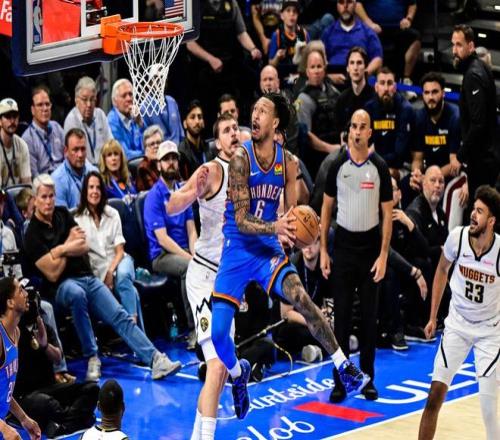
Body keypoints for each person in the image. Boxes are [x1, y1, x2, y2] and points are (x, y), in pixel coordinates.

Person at [211, 93, 369, 421]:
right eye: (254, 109)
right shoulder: (240, 158)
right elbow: (241, 219)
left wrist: (291, 233)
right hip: (237, 250)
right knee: (218, 334)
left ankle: (344, 366)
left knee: (302, 298)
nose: (254, 115)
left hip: (267, 250)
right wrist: (277, 226)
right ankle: (238, 374)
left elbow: (290, 214)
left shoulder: (289, 163)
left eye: (262, 111)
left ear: (276, 122)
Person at [24, 174, 182, 382]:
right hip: (62, 287)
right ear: (35, 199)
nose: (48, 201)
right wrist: (67, 245)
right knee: (76, 294)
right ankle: (92, 357)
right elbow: (52, 273)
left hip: (87, 277)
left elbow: (83, 245)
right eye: (44, 197)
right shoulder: (31, 233)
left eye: (52, 196)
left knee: (119, 314)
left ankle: (155, 359)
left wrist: (57, 251)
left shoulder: (62, 213)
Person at [167, 112, 240, 440]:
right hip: (203, 277)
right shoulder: (209, 171)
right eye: (226, 130)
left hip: (227, 280)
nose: (233, 133)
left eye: (236, 128)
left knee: (219, 374)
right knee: (217, 365)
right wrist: (190, 193)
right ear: (217, 141)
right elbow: (173, 204)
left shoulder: (247, 172)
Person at [320, 109, 393, 402]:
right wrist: (323, 251)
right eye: (354, 126)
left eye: (363, 127)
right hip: (344, 248)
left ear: (370, 132)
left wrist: (384, 255)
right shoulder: (337, 164)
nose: (358, 131)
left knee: (369, 318)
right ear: (349, 130)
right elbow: (326, 208)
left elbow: (387, 215)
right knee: (341, 319)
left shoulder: (380, 167)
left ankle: (368, 378)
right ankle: (340, 380)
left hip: (370, 248)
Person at [418, 186, 500, 440]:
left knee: (488, 407)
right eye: (473, 209)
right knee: (434, 396)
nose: (473, 215)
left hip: (489, 331)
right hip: (457, 324)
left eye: (480, 211)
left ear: (491, 221)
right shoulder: (458, 238)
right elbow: (442, 270)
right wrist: (433, 317)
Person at [14, 287, 99, 437]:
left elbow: (58, 358)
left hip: (50, 387)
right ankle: (79, 419)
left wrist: (45, 345)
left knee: (92, 388)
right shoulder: (14, 332)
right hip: (26, 396)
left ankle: (63, 424)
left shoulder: (44, 328)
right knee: (46, 403)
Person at [74, 171, 144, 329]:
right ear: (85, 191)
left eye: (98, 187)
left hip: (120, 262)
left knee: (123, 276)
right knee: (132, 292)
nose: (95, 191)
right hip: (97, 272)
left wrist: (110, 272)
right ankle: (138, 335)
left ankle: (131, 326)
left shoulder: (112, 214)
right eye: (91, 187)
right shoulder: (77, 220)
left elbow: (120, 250)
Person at [144, 141, 198, 337]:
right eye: (166, 159)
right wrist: (190, 258)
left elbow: (191, 230)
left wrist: (196, 253)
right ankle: (194, 329)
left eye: (174, 158)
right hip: (162, 255)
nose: (171, 162)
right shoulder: (154, 196)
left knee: (208, 261)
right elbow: (163, 239)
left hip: (184, 250)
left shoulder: (183, 191)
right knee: (190, 267)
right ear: (159, 165)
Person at [451, 25, 499, 204]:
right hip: (487, 156)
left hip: (482, 160)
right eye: (453, 44)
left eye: (459, 45)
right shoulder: (481, 66)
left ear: (470, 46)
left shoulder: (473, 75)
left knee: (480, 209)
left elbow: (478, 123)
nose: (454, 51)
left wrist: (460, 156)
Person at [405, 166, 448, 339]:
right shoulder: (415, 211)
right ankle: (416, 322)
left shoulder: (440, 213)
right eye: (433, 180)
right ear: (423, 184)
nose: (438, 185)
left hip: (433, 263)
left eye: (441, 181)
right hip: (413, 265)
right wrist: (439, 250)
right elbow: (417, 249)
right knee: (426, 263)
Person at [0, 277, 42, 440]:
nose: (26, 294)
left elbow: (4, 389)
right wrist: (4, 428)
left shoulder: (16, 333)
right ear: (10, 302)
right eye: (20, 290)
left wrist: (23, 419)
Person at [294, 46, 340, 179]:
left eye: (319, 66)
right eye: (312, 67)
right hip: (317, 158)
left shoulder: (334, 92)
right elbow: (306, 136)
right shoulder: (303, 99)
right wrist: (330, 148)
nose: (316, 71)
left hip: (337, 149)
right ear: (307, 71)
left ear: (324, 69)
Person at [355, 0, 421, 83]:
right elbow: (357, 4)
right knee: (359, 37)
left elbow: (412, 4)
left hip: (399, 27)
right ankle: (366, 78)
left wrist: (408, 19)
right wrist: (369, 23)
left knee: (415, 38)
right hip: (373, 28)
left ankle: (406, 78)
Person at [364, 67, 414, 176]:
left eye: (389, 83)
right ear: (376, 87)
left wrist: (371, 157)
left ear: (395, 87)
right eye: (382, 83)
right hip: (372, 164)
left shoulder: (405, 109)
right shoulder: (368, 108)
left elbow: (399, 153)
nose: (386, 88)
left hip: (399, 167)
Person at [321, 0, 382, 86]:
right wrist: (329, 75)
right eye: (341, 2)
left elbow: (377, 59)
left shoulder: (367, 32)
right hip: (332, 82)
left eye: (349, 2)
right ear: (337, 6)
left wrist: (364, 74)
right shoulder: (328, 32)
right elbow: (320, 59)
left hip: (361, 81)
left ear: (355, 5)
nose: (345, 6)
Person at [64, 76, 114, 164]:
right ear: (76, 100)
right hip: (83, 169)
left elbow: (110, 144)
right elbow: (76, 157)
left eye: (92, 100)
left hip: (104, 166)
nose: (89, 104)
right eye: (84, 100)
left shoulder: (100, 114)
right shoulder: (71, 120)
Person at [333, 46, 376, 144]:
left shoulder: (375, 98)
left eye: (359, 63)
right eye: (352, 63)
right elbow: (340, 132)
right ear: (347, 68)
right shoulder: (342, 100)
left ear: (366, 67)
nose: (355, 68)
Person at [22, 86, 65, 177]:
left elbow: (69, 154)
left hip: (65, 177)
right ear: (32, 110)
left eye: (47, 104)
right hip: (45, 181)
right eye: (40, 105)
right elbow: (34, 176)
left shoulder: (57, 127)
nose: (45, 109)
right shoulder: (27, 139)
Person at [51, 128, 98, 209]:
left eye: (83, 149)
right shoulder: (57, 180)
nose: (80, 155)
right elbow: (62, 215)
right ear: (66, 151)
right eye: (75, 150)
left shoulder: (94, 172)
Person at [107, 79, 144, 160]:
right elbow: (123, 153)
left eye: (130, 94)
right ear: (115, 101)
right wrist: (146, 154)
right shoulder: (111, 121)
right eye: (124, 96)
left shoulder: (135, 117)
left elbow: (147, 144)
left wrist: (140, 124)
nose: (129, 99)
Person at [0, 98, 32, 187]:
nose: (12, 121)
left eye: (15, 116)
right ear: (0, 121)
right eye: (8, 117)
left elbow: (27, 183)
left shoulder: (22, 145)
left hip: (18, 193)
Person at [268, 1, 309, 69]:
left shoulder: (304, 34)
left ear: (297, 16)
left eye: (294, 11)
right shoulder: (277, 35)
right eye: (288, 10)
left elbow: (310, 59)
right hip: (282, 73)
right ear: (282, 16)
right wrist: (277, 57)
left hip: (300, 72)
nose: (291, 14)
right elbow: (270, 64)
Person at [178, 101, 211, 181]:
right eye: (192, 117)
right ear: (185, 124)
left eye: (199, 117)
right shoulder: (181, 152)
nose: (197, 121)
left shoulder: (208, 148)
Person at [136, 125, 162, 192]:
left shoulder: (167, 161)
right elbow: (156, 191)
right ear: (145, 148)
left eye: (158, 142)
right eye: (152, 144)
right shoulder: (143, 168)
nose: (156, 146)